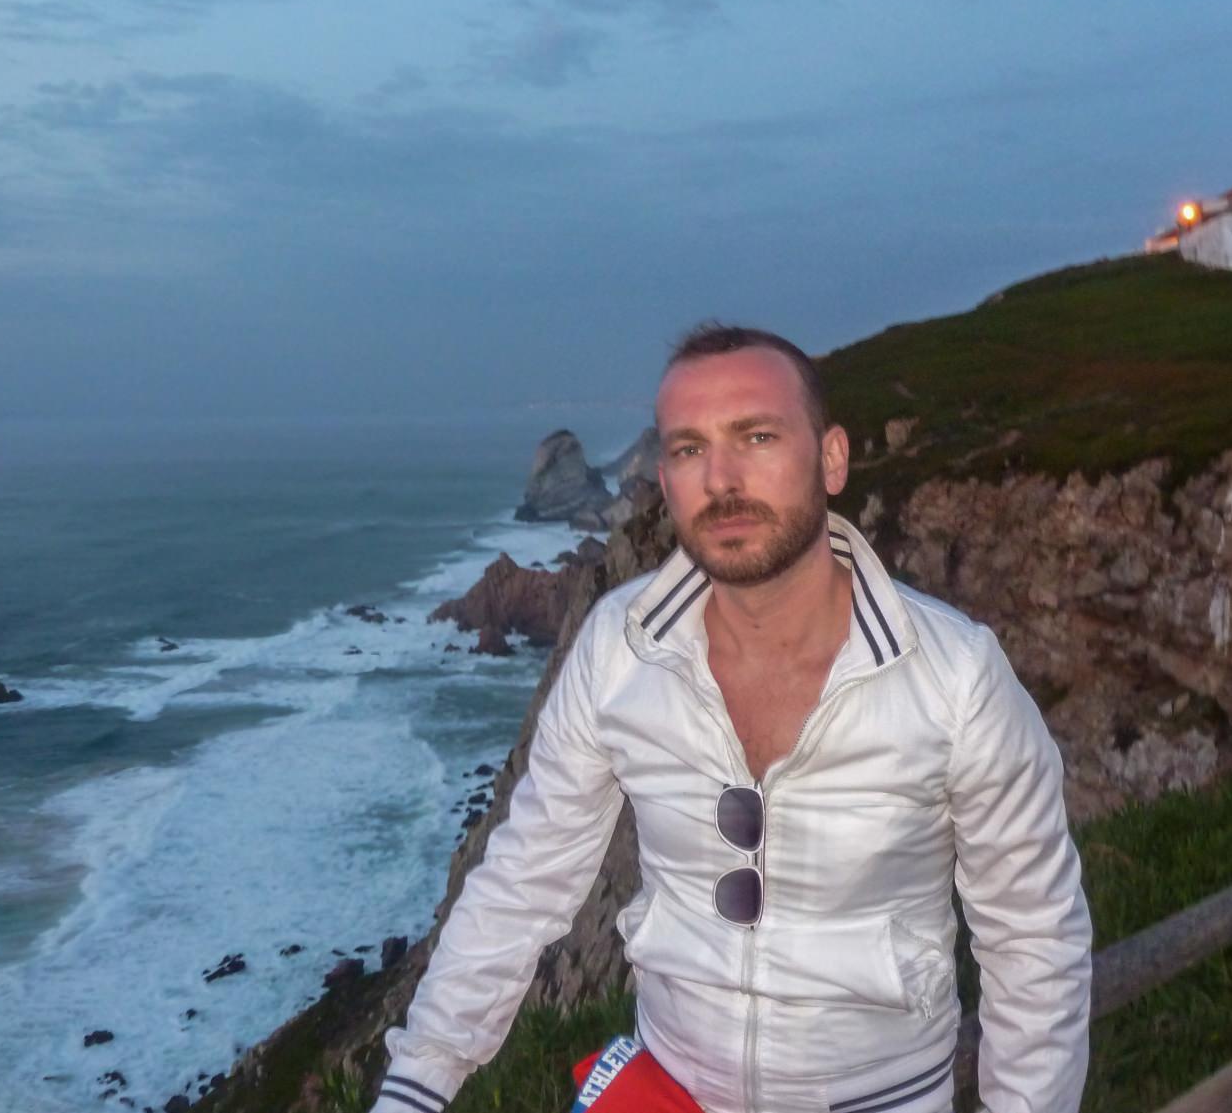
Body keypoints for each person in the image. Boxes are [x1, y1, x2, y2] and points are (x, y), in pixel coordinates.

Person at [369, 324, 1092, 1113]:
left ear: (833, 457)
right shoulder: (621, 648)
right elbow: (523, 879)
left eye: (756, 436)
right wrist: (418, 1082)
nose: (721, 477)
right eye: (687, 449)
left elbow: (1035, 941)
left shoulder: (953, 675)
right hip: (663, 1093)